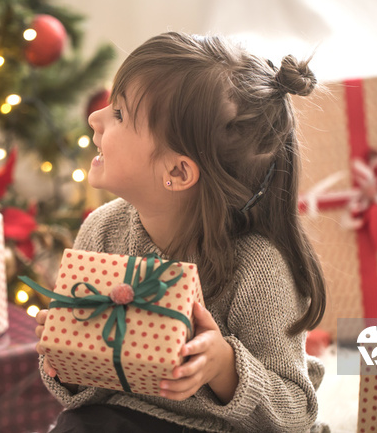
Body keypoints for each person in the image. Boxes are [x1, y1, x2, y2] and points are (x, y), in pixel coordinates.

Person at [35, 31, 328, 433]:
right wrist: (68, 354)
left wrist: (224, 367)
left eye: (119, 114)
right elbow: (84, 395)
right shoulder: (102, 231)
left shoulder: (258, 269)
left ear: (176, 171)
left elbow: (296, 413)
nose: (95, 119)